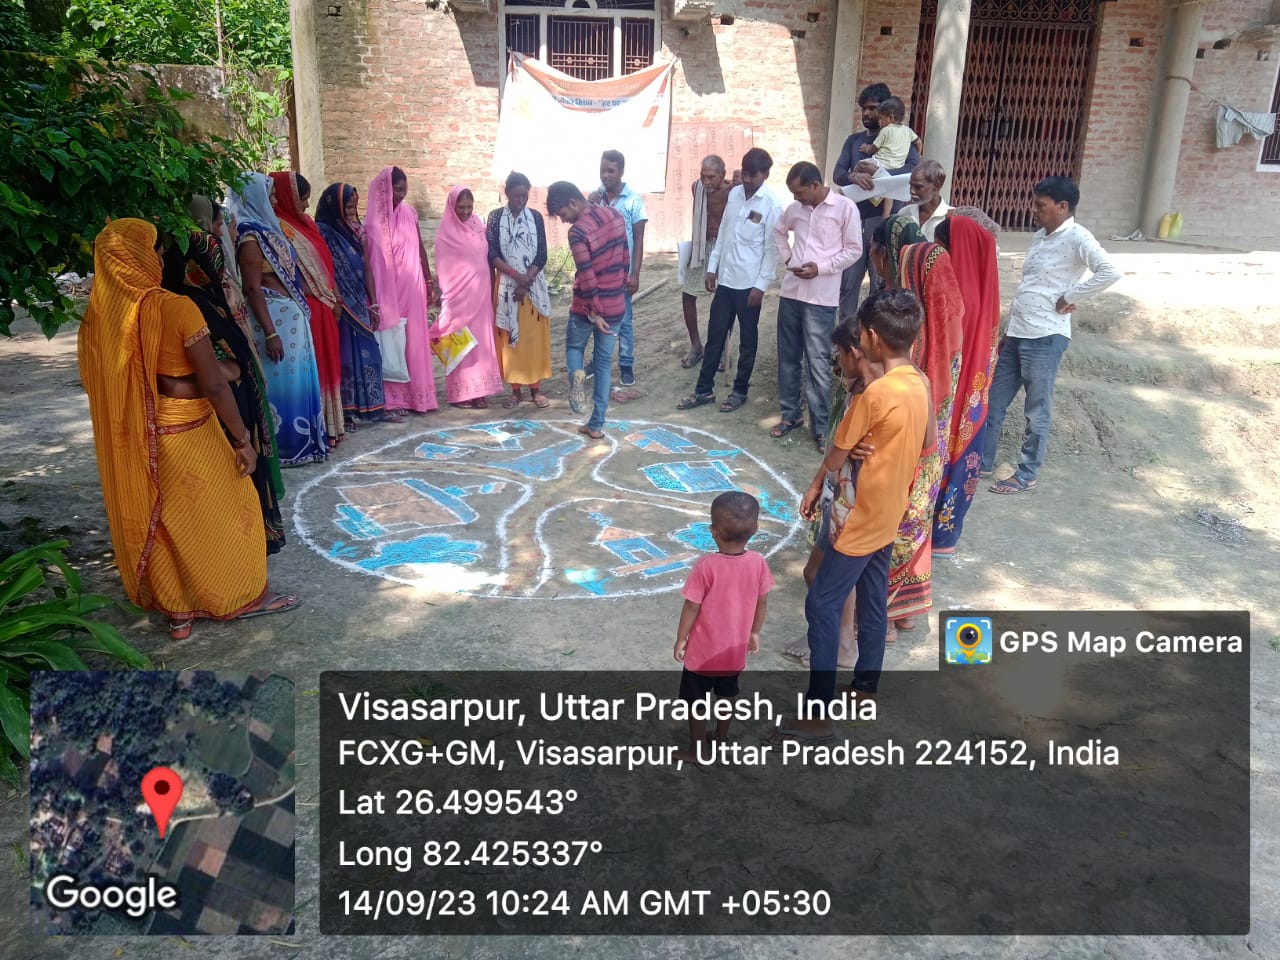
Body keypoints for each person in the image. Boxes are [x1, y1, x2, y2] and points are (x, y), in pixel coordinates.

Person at [78, 218, 300, 640]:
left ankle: (179, 614)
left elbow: (118, 383)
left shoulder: (99, 318)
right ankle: (240, 597)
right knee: (235, 506)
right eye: (156, 250)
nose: (162, 258)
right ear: (142, 257)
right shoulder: (174, 307)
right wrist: (242, 440)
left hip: (138, 437)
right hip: (189, 430)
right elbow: (214, 384)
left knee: (165, 519)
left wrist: (177, 383)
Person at [771, 293, 930, 741]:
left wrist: (849, 453)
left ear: (872, 338)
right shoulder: (918, 382)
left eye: (860, 333)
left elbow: (837, 455)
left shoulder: (874, 395)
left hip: (858, 519)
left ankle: (818, 712)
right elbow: (926, 444)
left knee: (822, 603)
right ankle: (864, 690)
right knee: (873, 600)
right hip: (889, 511)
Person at [981, 176, 1120, 494]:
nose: (1034, 210)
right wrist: (1009, 329)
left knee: (1036, 410)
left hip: (1045, 336)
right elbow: (1031, 284)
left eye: (1041, 205)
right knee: (993, 401)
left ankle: (1026, 473)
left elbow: (1109, 271)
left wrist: (1071, 295)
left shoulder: (1077, 237)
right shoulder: (1040, 237)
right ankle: (982, 462)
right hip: (1019, 332)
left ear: (1062, 207)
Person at [867, 216, 964, 634]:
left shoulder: (897, 347)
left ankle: (879, 615)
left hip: (894, 455)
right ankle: (904, 609)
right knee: (915, 518)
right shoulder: (944, 347)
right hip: (928, 453)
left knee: (889, 519)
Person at [161, 243, 286, 556]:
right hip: (216, 411)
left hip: (228, 401)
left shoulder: (203, 298)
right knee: (230, 483)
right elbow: (202, 376)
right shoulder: (186, 305)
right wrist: (241, 437)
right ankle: (238, 552)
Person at [781, 337, 882, 668]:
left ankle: (842, 644)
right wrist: (816, 485)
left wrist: (823, 480)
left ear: (856, 353)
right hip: (838, 493)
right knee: (820, 572)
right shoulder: (857, 388)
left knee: (825, 576)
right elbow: (839, 451)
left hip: (851, 501)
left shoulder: (872, 397)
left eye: (839, 355)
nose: (836, 365)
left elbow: (839, 454)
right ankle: (833, 637)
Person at [227, 172, 329, 466]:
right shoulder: (250, 238)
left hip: (291, 321)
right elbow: (252, 287)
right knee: (282, 386)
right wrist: (271, 333)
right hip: (274, 324)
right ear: (255, 197)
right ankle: (285, 449)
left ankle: (305, 444)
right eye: (270, 195)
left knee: (298, 382)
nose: (274, 201)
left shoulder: (267, 231)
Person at [677, 147, 782, 414]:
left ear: (765, 175)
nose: (746, 179)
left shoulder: (771, 204)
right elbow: (724, 232)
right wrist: (712, 268)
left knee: (747, 340)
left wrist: (761, 286)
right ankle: (703, 390)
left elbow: (772, 250)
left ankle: (739, 391)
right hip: (725, 280)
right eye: (744, 173)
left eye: (753, 175)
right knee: (715, 335)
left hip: (749, 286)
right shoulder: (734, 194)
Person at [673, 491, 772, 764]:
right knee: (727, 694)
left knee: (696, 701)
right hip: (734, 651)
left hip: (702, 654)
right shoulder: (758, 563)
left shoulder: (706, 565)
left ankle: (697, 750)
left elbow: (691, 606)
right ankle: (720, 737)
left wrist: (681, 638)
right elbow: (762, 601)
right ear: (755, 528)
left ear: (713, 531)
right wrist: (754, 632)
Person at [770, 162, 863, 452]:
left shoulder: (845, 208)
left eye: (799, 192)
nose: (796, 198)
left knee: (818, 362)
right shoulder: (795, 209)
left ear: (814, 185)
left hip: (821, 298)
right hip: (791, 293)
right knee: (788, 357)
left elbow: (854, 249)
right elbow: (778, 231)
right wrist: (788, 259)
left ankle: (821, 428)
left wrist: (821, 268)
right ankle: (791, 415)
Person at [932, 216, 1001, 553]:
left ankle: (931, 534)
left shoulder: (956, 290)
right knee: (964, 455)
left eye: (941, 248)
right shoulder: (984, 288)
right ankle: (946, 536)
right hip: (974, 394)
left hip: (954, 390)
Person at [546, 180, 630, 440]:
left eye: (563, 214)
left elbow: (587, 274)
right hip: (615, 303)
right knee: (603, 363)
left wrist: (595, 312)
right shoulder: (614, 215)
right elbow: (625, 257)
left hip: (587, 306)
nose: (564, 220)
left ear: (573, 203)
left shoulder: (578, 232)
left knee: (574, 349)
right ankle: (596, 424)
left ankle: (577, 376)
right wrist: (619, 291)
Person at [833, 83, 922, 321]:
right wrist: (853, 176)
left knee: (881, 284)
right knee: (848, 283)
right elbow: (838, 173)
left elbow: (914, 171)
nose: (866, 113)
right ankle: (847, 334)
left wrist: (879, 174)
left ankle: (875, 335)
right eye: (863, 108)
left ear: (886, 110)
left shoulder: (903, 140)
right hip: (854, 220)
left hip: (885, 222)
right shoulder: (854, 141)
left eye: (872, 108)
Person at [270, 171, 345, 448]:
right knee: (317, 366)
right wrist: (319, 293)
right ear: (289, 198)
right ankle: (319, 428)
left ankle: (333, 426)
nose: (306, 204)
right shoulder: (277, 228)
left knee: (330, 361)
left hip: (326, 302)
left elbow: (324, 263)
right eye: (302, 199)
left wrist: (334, 294)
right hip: (307, 303)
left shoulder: (306, 224)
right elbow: (288, 273)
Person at [315, 182, 399, 427]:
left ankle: (374, 408)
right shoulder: (324, 232)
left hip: (360, 300)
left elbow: (367, 267)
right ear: (335, 206)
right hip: (341, 303)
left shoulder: (358, 232)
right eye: (348, 207)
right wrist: (336, 297)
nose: (353, 212)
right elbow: (326, 269)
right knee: (346, 356)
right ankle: (347, 412)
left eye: (354, 207)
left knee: (370, 351)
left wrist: (373, 302)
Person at [366, 166, 438, 415]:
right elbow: (371, 264)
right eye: (396, 190)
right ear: (384, 190)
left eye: (404, 190)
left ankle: (418, 396)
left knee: (414, 339)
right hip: (388, 292)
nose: (401, 195)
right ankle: (394, 399)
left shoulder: (410, 213)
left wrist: (428, 280)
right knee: (391, 341)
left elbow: (420, 248)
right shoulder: (374, 223)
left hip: (413, 287)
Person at [432, 185, 504, 409]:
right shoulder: (445, 233)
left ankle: (480, 392)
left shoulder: (479, 225)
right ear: (452, 207)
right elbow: (442, 268)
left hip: (481, 293)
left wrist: (491, 286)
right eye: (460, 207)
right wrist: (449, 296)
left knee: (481, 341)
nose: (465, 211)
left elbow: (486, 258)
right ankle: (461, 394)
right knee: (460, 341)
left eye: (469, 207)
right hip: (458, 297)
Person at [487, 171, 552, 409]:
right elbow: (492, 254)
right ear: (507, 193)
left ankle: (535, 389)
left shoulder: (535, 218)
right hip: (507, 287)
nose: (521, 200)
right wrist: (516, 277)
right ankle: (515, 391)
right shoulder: (495, 218)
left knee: (532, 339)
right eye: (517, 196)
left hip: (532, 287)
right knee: (510, 339)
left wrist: (526, 281)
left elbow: (541, 254)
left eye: (525, 196)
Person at [591, 150, 646, 391]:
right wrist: (590, 205)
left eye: (611, 171)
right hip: (599, 272)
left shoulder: (633, 201)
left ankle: (626, 365)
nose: (606, 175)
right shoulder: (597, 199)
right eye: (603, 170)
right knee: (596, 317)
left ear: (621, 172)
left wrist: (635, 273)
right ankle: (597, 362)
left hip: (623, 273)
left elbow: (639, 238)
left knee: (624, 321)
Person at [679, 155, 732, 369]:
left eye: (711, 177)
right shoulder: (697, 188)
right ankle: (696, 346)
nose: (706, 182)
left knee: (724, 301)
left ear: (723, 175)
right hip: (701, 246)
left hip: (723, 249)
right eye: (703, 176)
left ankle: (722, 350)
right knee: (687, 295)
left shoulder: (732, 192)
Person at [185, 196, 254, 352]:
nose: (223, 234)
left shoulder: (222, 272)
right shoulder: (201, 279)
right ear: (204, 224)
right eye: (219, 225)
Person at [897, 160, 952, 241]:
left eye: (918, 187)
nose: (912, 191)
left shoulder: (950, 218)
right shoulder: (904, 213)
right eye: (911, 185)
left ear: (937, 185)